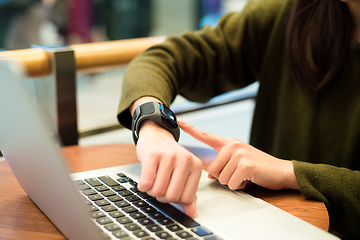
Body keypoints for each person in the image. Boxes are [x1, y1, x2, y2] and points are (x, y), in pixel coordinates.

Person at [117, 0, 360, 239]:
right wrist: (153, 125)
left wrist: (291, 172)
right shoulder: (291, 12)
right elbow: (162, 59)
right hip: (267, 222)